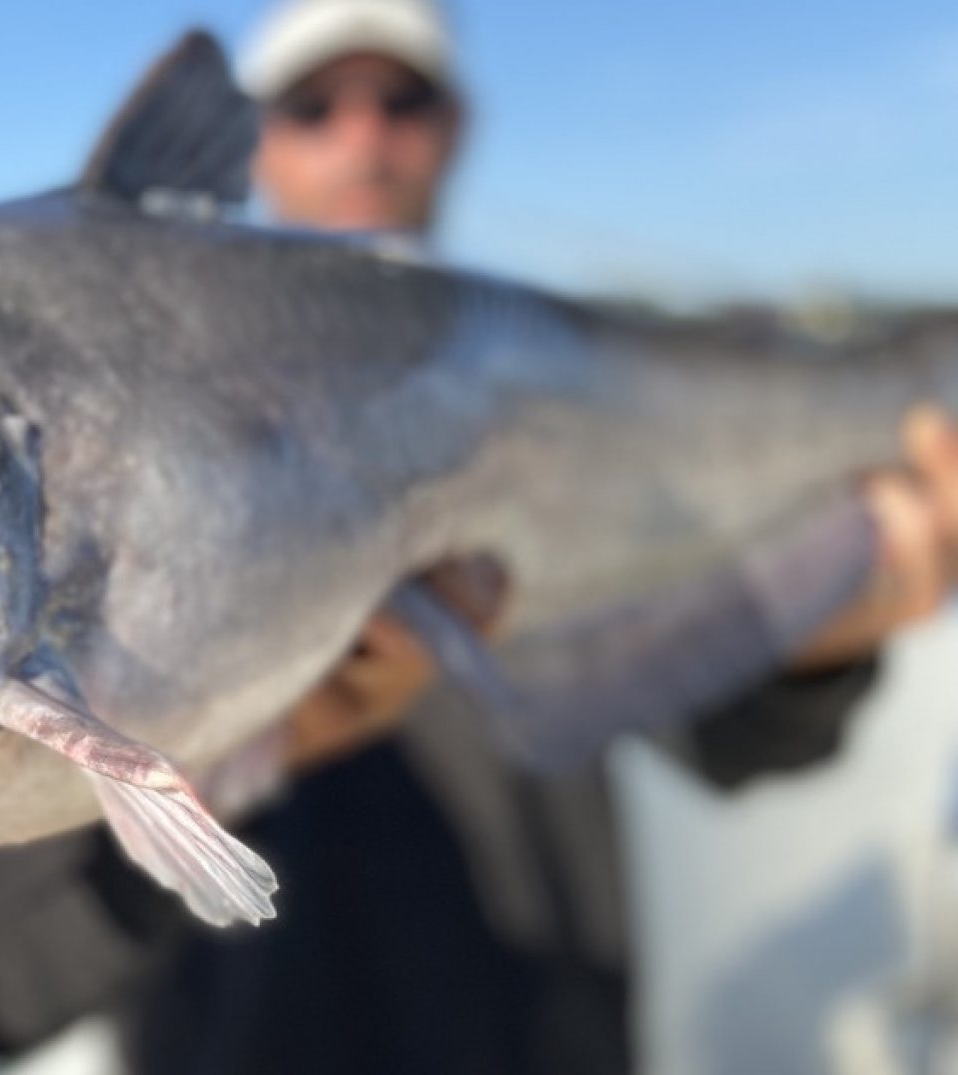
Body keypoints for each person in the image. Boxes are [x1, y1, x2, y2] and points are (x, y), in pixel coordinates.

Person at [116, 1, 958, 1072]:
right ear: (258, 137)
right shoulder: (141, 395)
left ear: (454, 125)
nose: (361, 137)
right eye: (313, 104)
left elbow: (732, 733)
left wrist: (828, 635)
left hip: (547, 1029)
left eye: (400, 99)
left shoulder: (586, 384)